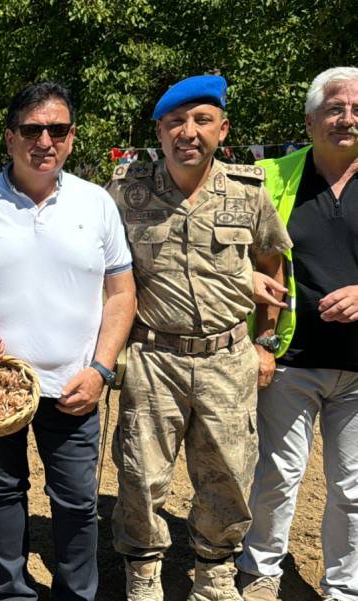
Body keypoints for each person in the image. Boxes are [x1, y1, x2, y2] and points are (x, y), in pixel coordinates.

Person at [0, 81, 137, 601]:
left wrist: (101, 369)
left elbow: (121, 292)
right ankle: (14, 592)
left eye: (57, 130)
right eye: (32, 129)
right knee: (3, 493)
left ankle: (75, 595)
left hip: (75, 384)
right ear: (10, 138)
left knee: (76, 502)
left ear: (71, 138)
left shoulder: (97, 203)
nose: (45, 140)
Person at [106, 75, 292, 601]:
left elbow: (271, 261)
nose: (189, 132)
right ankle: (143, 573)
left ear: (222, 128)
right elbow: (101, 268)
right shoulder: (126, 193)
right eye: (175, 123)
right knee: (141, 476)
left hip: (228, 358)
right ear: (160, 133)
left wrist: (265, 341)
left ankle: (214, 573)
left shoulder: (248, 193)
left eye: (202, 120)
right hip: (152, 358)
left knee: (229, 476)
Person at [236, 66, 358, 601]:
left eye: (357, 109)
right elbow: (222, 251)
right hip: (289, 358)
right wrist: (247, 277)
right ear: (310, 122)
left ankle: (344, 588)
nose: (347, 118)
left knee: (353, 490)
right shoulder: (268, 176)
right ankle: (260, 572)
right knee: (278, 475)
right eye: (335, 108)